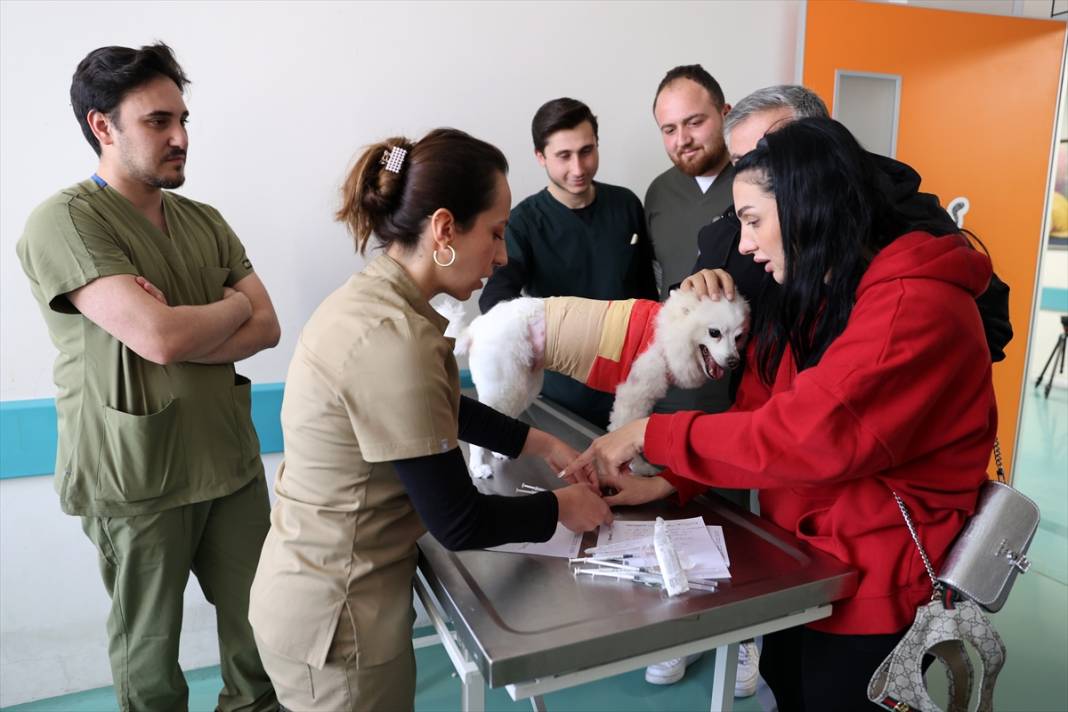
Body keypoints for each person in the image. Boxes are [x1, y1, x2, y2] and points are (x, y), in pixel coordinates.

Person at [568, 117, 996, 710]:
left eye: (752, 221)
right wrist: (671, 480)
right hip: (804, 568)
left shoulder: (914, 307)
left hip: (875, 587)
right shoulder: (822, 292)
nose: (742, 245)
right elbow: (761, 406)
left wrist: (649, 433)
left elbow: (806, 436)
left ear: (808, 208)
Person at [248, 128, 613, 712]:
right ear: (444, 229)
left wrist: (537, 439)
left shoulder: (376, 300)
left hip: (304, 590)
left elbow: (431, 405)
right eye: (495, 233)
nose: (502, 256)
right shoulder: (394, 338)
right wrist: (562, 509)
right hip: (339, 625)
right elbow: (458, 522)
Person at [15, 43, 281, 711]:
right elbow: (157, 339)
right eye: (158, 122)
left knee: (264, 632)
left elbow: (268, 326)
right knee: (150, 655)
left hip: (229, 460)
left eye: (183, 119)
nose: (180, 138)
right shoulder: (66, 222)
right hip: (134, 473)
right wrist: (231, 308)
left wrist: (203, 320)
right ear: (102, 126)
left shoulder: (204, 222)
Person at [683, 84, 1012, 364]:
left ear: (820, 143)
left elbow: (989, 325)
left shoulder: (904, 226)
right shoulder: (730, 229)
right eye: (744, 162)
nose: (758, 172)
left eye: (771, 154)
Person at [643, 65, 758, 693]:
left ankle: (743, 642)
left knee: (741, 527)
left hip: (749, 391)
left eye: (695, 121)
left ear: (725, 113)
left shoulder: (759, 185)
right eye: (669, 129)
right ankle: (680, 633)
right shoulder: (658, 192)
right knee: (678, 518)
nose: (684, 138)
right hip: (680, 390)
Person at [480, 97, 658, 428]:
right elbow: (495, 301)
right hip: (563, 398)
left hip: (634, 388)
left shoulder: (626, 205)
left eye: (587, 151)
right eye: (563, 156)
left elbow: (648, 294)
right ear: (540, 157)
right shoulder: (524, 223)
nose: (578, 168)